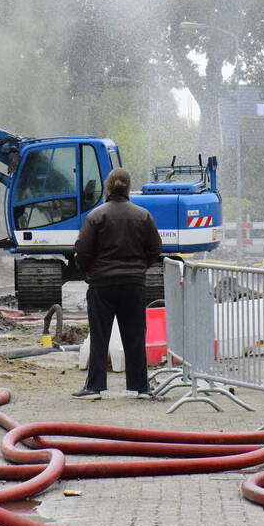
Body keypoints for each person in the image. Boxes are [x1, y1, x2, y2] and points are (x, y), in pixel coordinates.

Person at [72, 168, 162, 400]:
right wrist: (139, 268)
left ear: (108, 187)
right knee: (134, 335)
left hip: (101, 285)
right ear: (129, 188)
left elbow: (82, 250)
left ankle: (95, 387)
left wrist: (89, 271)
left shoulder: (96, 216)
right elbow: (155, 249)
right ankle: (141, 387)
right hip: (133, 284)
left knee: (100, 336)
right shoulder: (143, 215)